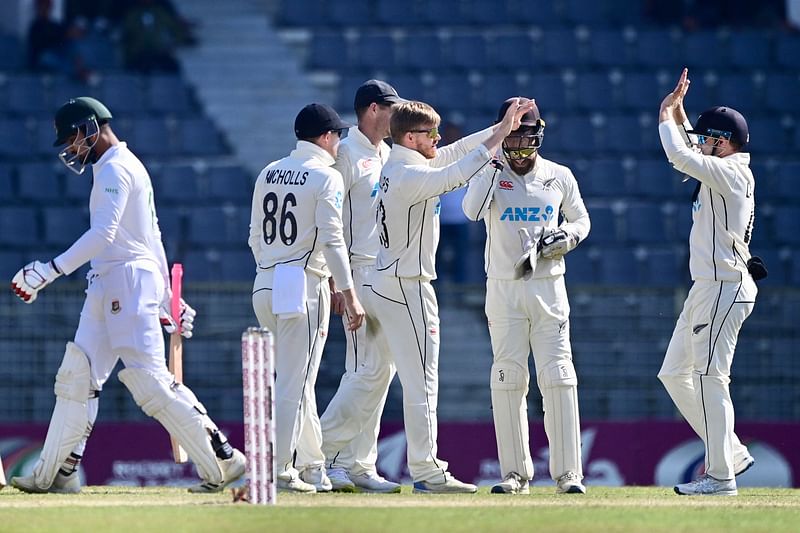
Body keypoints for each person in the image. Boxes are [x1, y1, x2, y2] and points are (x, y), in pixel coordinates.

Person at [9, 96, 245, 494]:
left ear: (89, 127)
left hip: (128, 283)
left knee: (149, 380)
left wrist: (48, 271)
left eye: (72, 139)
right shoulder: (114, 166)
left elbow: (105, 234)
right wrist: (170, 297)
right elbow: (151, 234)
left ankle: (223, 459)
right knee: (76, 377)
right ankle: (57, 474)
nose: (69, 149)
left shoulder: (116, 167)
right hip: (109, 281)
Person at [365, 98, 534, 493]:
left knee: (371, 378)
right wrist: (495, 145)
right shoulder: (409, 173)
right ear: (410, 137)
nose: (438, 139)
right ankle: (426, 470)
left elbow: (454, 153)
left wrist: (502, 129)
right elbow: (458, 171)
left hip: (387, 281)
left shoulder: (404, 161)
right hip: (407, 286)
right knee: (422, 381)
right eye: (431, 134)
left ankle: (332, 458)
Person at [462, 97, 590, 495]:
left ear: (538, 135)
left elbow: (582, 219)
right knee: (507, 379)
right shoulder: (490, 170)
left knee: (558, 377)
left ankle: (569, 474)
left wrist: (567, 236)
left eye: (526, 136)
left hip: (549, 287)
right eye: (512, 135)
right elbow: (470, 210)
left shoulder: (558, 175)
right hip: (504, 289)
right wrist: (492, 161)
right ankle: (514, 474)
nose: (519, 146)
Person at [249, 103, 366, 493]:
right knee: (294, 385)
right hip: (301, 283)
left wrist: (273, 267)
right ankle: (281, 470)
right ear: (327, 137)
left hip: (265, 282)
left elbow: (253, 236)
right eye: (338, 136)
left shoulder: (269, 171)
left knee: (298, 381)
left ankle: (313, 465)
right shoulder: (326, 177)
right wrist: (349, 294)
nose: (339, 143)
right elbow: (333, 240)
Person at [656, 68, 760, 496]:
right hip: (708, 287)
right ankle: (730, 451)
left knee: (709, 378)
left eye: (706, 137)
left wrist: (666, 115)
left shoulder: (732, 172)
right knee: (674, 373)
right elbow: (693, 151)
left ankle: (720, 476)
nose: (700, 142)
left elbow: (681, 156)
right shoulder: (720, 168)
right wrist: (681, 116)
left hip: (724, 286)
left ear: (722, 141)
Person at [312, 80, 405, 494]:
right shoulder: (346, 153)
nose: (397, 117)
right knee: (364, 371)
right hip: (357, 274)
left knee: (382, 371)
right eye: (391, 109)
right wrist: (335, 282)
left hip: (385, 272)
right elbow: (326, 221)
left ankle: (359, 463)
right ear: (372, 109)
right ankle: (322, 456)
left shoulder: (387, 153)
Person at [27, 0, 93, 82]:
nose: (44, 9)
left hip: (58, 56)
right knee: (47, 57)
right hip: (42, 59)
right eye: (42, 6)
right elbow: (42, 44)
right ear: (37, 8)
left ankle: (79, 69)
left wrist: (71, 34)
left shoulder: (54, 25)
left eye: (47, 6)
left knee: (73, 45)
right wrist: (62, 35)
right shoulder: (35, 27)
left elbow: (69, 34)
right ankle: (77, 72)